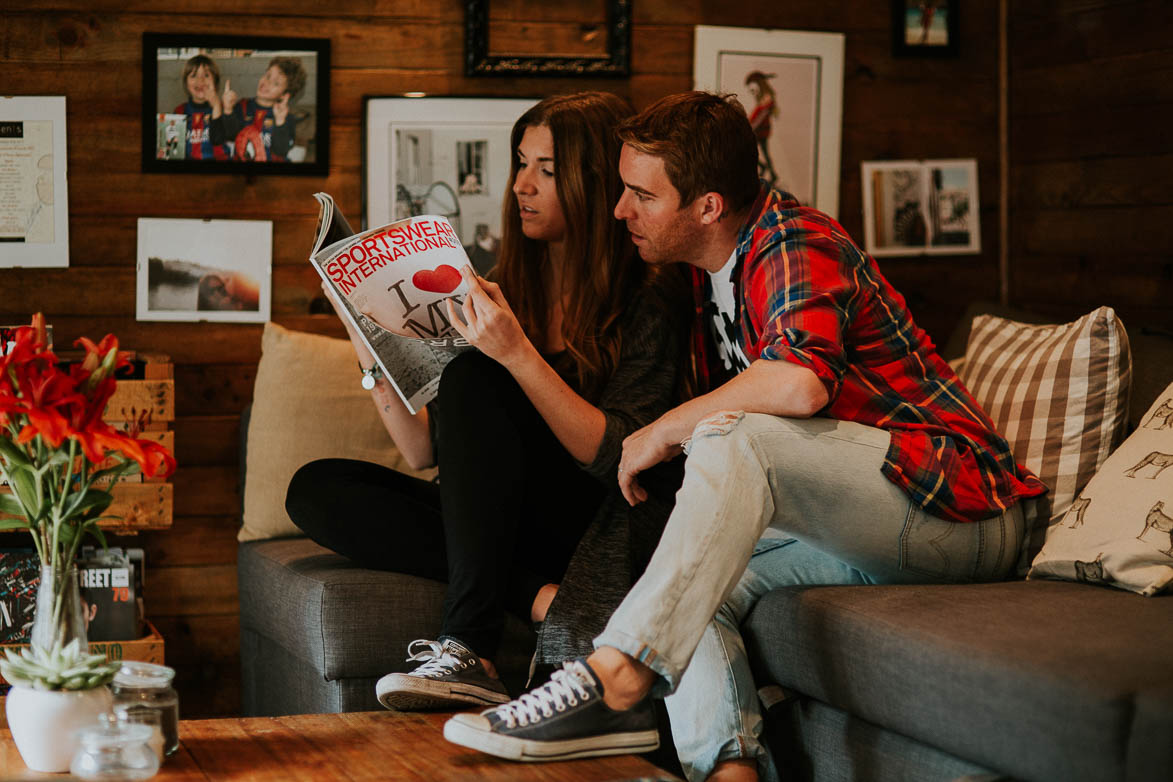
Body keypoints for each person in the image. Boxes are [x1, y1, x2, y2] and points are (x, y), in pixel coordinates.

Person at [442, 91, 1047, 778]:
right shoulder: (705, 280)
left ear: (706, 206)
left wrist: (659, 433)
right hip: (858, 526)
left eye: (641, 195)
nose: (619, 211)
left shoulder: (793, 241)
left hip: (955, 506)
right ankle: (728, 768)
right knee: (694, 586)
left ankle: (612, 677)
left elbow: (799, 382)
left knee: (732, 434)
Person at [285, 91, 690, 713]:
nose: (522, 185)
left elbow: (617, 461)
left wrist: (516, 354)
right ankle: (533, 596)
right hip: (494, 521)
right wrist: (365, 342)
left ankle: (469, 648)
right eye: (520, 163)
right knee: (316, 491)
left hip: (587, 515)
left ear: (593, 181)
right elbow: (423, 452)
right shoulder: (502, 282)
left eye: (547, 171)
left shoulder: (647, 297)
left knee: (477, 376)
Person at [219, 57, 307, 162]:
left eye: (276, 83)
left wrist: (280, 123)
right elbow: (231, 136)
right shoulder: (242, 106)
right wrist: (228, 110)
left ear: (284, 95)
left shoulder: (286, 118)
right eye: (268, 75)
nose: (267, 82)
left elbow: (281, 151)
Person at [172, 54, 228, 160]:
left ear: (215, 82)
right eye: (193, 76)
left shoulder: (224, 108)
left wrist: (216, 107)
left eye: (206, 75)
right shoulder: (179, 111)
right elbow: (174, 150)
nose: (200, 80)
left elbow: (218, 140)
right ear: (186, 83)